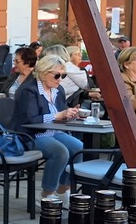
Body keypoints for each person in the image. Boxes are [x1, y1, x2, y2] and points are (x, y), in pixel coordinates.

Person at [11, 56, 84, 200]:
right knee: (60, 152)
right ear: (44, 73)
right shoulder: (28, 90)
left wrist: (70, 114)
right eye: (57, 75)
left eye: (63, 76)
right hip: (31, 134)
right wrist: (58, 115)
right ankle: (46, 194)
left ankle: (63, 189)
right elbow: (30, 120)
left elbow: (61, 113)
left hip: (54, 131)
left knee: (78, 147)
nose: (60, 79)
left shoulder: (58, 90)